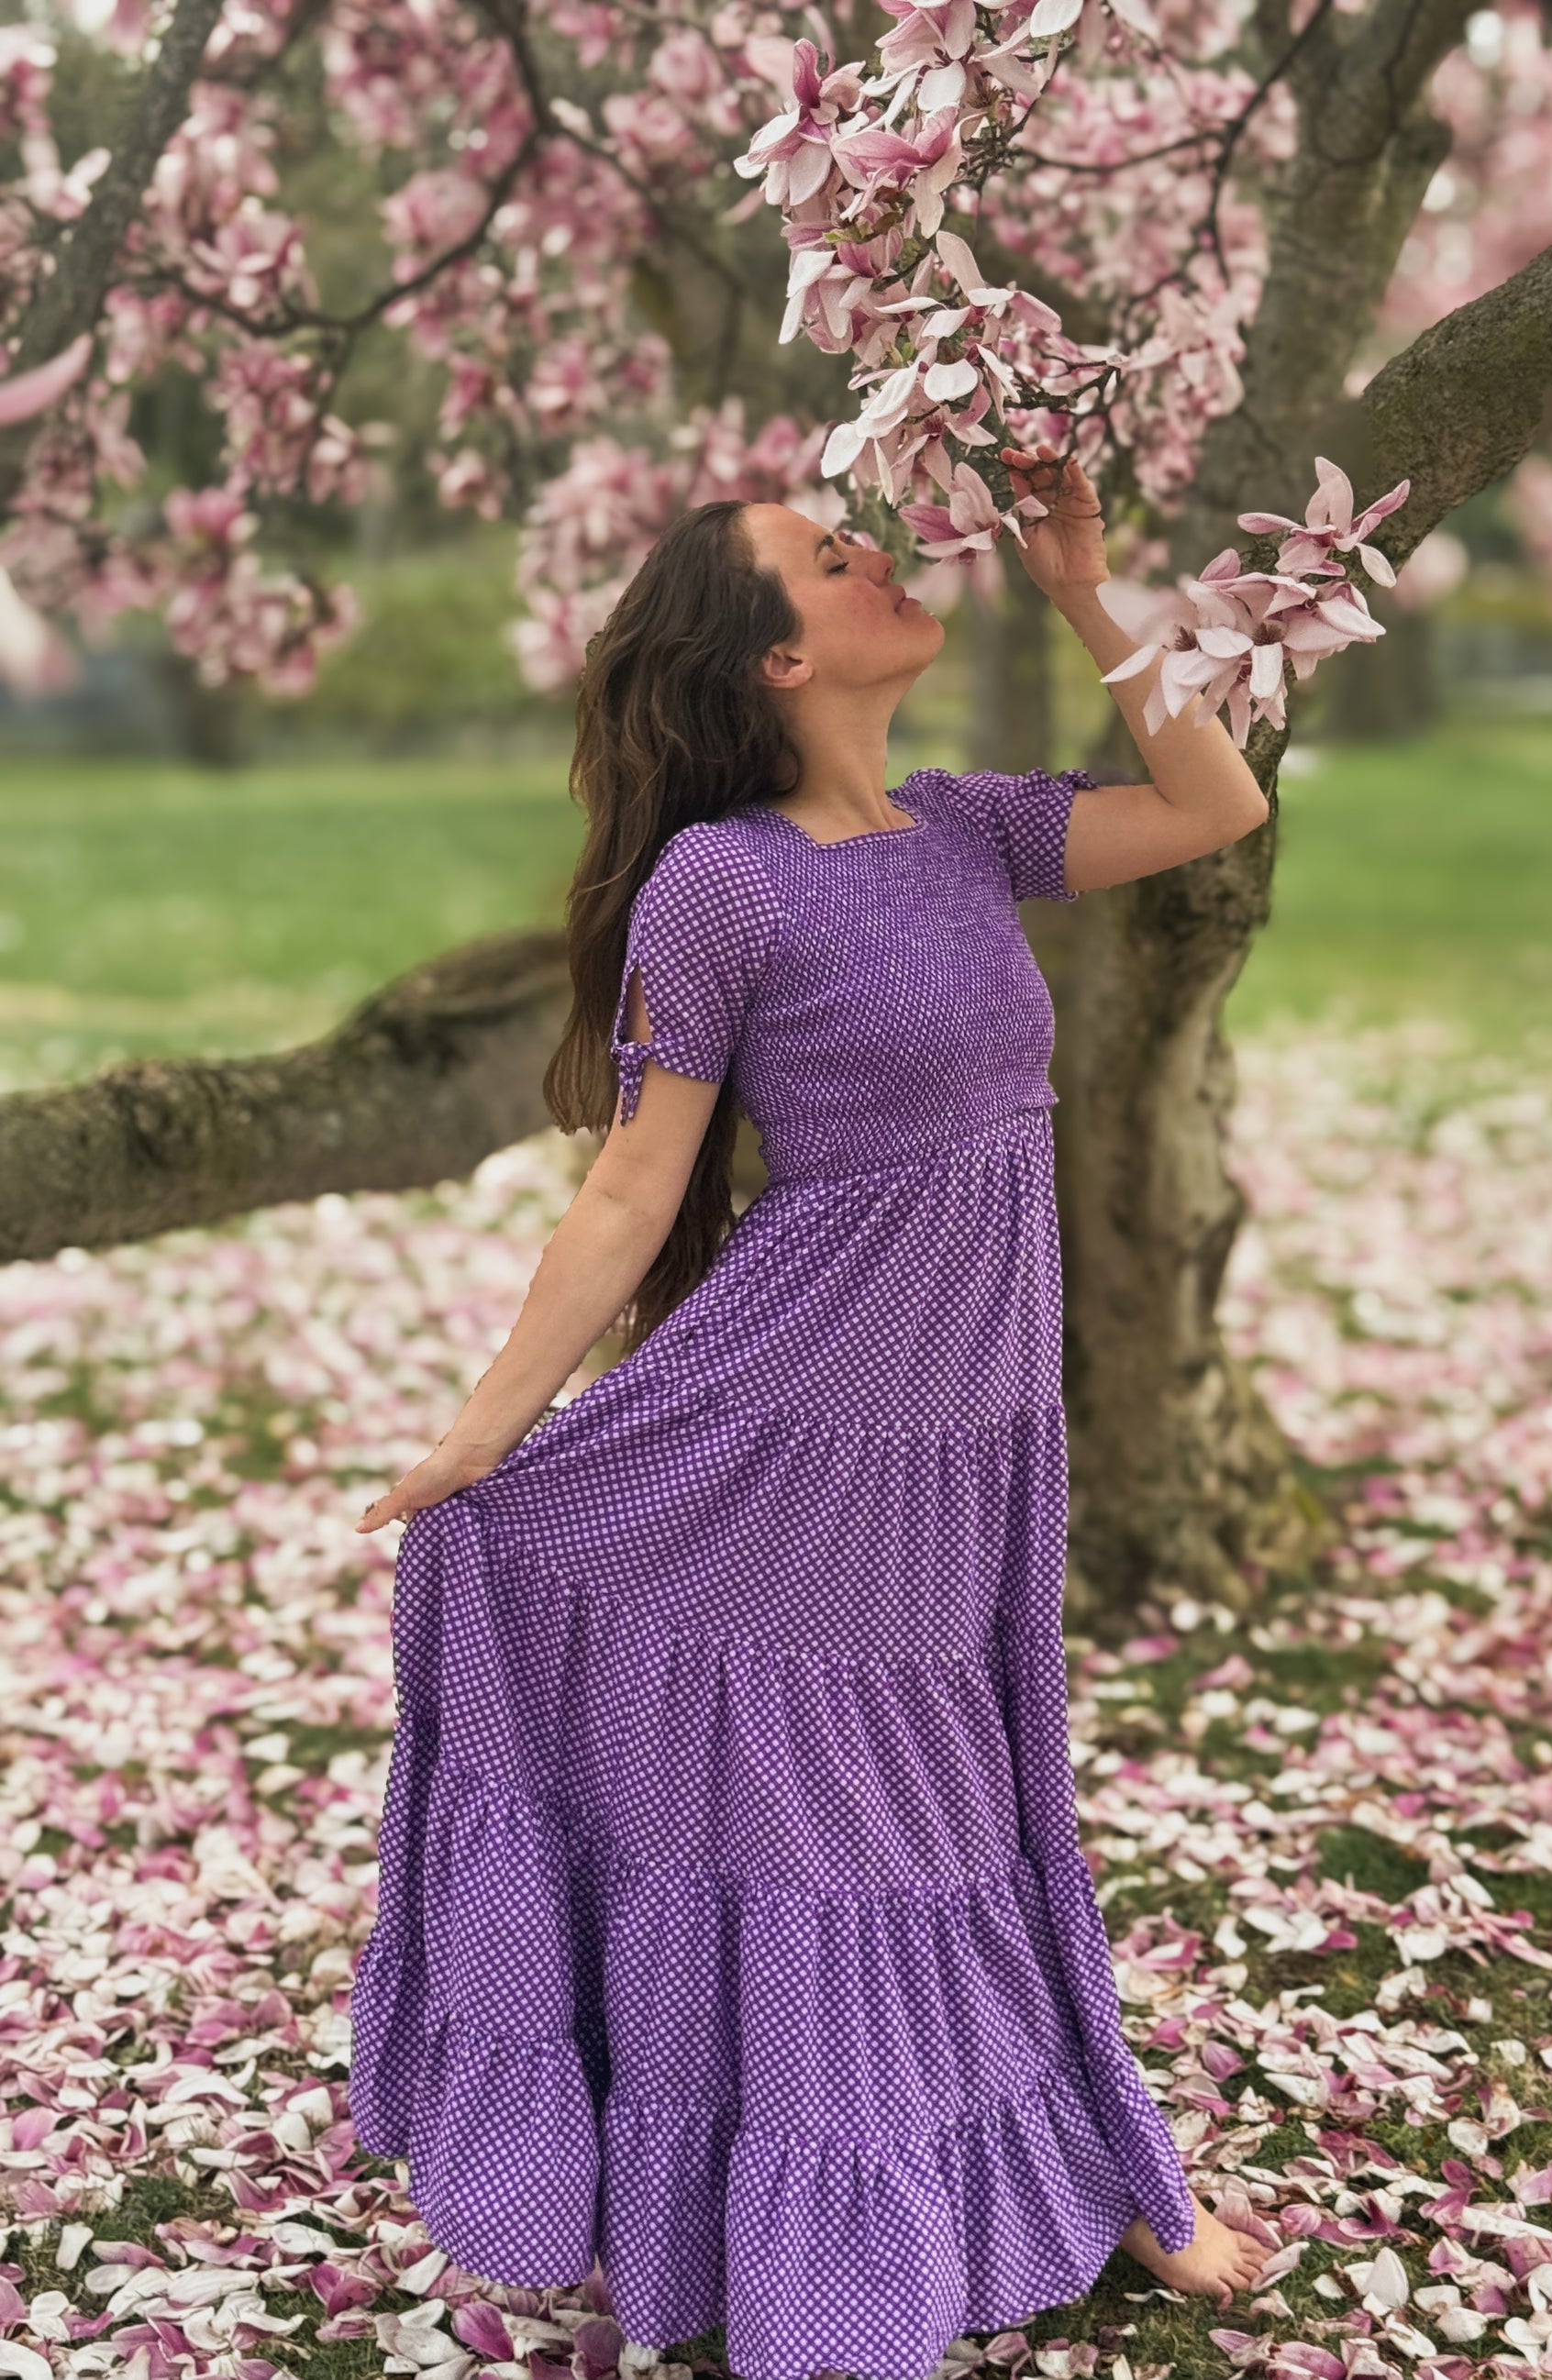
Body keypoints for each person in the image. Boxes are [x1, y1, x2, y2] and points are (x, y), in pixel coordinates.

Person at [348, 442, 1274, 2380]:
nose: (885, 554)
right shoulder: (717, 886)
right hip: (802, 1412)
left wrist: (1087, 579)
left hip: (959, 1427)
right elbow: (631, 1183)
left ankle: (1051, 2168)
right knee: (869, 1815)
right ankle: (854, 2222)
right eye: (835, 556)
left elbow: (1215, 800)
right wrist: (486, 1433)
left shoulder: (968, 825)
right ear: (776, 659)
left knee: (966, 1798)